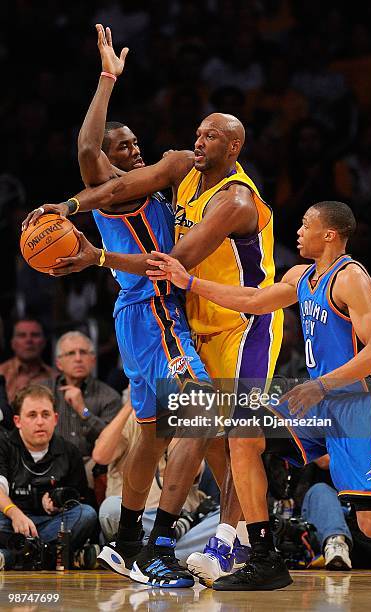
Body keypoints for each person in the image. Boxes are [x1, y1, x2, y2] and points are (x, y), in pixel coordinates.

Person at [22, 25, 289, 590]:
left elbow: (168, 245)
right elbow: (89, 154)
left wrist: (77, 219)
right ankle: (157, 544)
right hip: (156, 310)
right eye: (125, 148)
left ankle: (134, 544)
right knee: (198, 422)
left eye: (136, 146)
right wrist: (106, 82)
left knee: (167, 431)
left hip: (180, 313)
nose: (133, 153)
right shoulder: (121, 179)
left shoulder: (182, 181)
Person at [146, 200, 371, 588]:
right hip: (319, 404)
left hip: (360, 405)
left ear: (330, 235)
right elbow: (253, 301)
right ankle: (263, 556)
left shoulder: (350, 278)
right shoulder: (302, 276)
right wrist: (190, 282)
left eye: (306, 225)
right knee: (244, 432)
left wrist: (320, 385)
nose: (298, 231)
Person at [93, 398, 235, 566]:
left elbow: (191, 469)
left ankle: (153, 553)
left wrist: (179, 416)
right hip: (141, 518)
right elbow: (100, 455)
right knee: (110, 509)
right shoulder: (135, 418)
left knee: (229, 520)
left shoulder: (195, 419)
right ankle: (174, 552)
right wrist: (132, 403)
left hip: (185, 515)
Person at [0, 384, 97, 570]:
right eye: (32, 415)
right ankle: (53, 556)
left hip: (50, 524)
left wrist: (59, 503)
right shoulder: (4, 445)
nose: (40, 422)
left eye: (45, 415)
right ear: (17, 421)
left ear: (55, 419)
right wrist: (14, 512)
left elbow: (80, 500)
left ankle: (14, 556)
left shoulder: (69, 451)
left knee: (86, 514)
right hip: (11, 521)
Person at [41, 331, 121, 475]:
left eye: (83, 352)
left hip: (93, 468)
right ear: (59, 363)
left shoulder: (110, 397)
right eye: (71, 353)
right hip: (48, 463)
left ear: (93, 360)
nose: (78, 358)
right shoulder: (42, 393)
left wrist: (83, 410)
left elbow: (113, 444)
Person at [0, 318, 56, 403]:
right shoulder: (1, 373)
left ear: (44, 342)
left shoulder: (56, 378)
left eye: (35, 335)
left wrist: (83, 410)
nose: (29, 340)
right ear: (13, 343)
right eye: (22, 335)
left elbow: (83, 413)